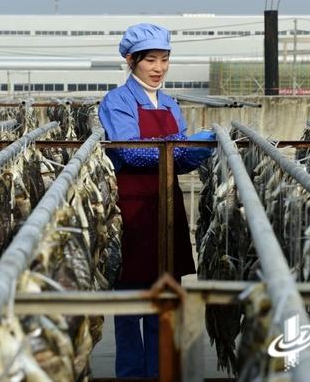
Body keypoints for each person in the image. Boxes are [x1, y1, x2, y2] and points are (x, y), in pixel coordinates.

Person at [98, 23, 214, 378]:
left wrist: (198, 151)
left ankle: (163, 373)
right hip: (132, 207)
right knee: (131, 304)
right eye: (150, 60)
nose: (159, 68)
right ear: (131, 60)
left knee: (164, 300)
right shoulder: (116, 101)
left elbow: (176, 158)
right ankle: (132, 375)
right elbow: (131, 152)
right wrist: (180, 147)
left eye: (165, 59)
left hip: (167, 204)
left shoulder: (169, 103)